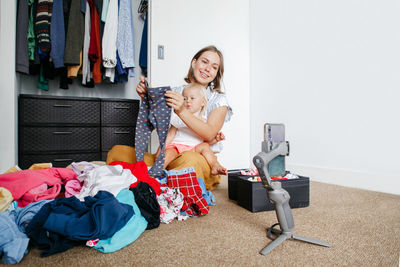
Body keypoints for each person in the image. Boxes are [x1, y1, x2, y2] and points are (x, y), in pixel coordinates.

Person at [136, 45, 232, 175]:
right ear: (194, 63)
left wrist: (182, 111)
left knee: (189, 161)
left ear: (216, 74)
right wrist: (146, 97)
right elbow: (153, 120)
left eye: (214, 67)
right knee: (120, 153)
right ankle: (157, 174)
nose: (208, 69)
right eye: (204, 62)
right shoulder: (174, 92)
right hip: (173, 151)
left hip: (198, 156)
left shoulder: (218, 100)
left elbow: (209, 135)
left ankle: (165, 174)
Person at [163, 83, 227, 175]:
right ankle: (158, 171)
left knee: (205, 147)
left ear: (203, 102)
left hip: (194, 149)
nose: (188, 101)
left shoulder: (204, 121)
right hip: (177, 147)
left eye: (192, 98)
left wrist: (215, 140)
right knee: (169, 153)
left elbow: (205, 140)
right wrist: (162, 150)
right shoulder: (178, 117)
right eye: (185, 98)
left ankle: (215, 165)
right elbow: (170, 135)